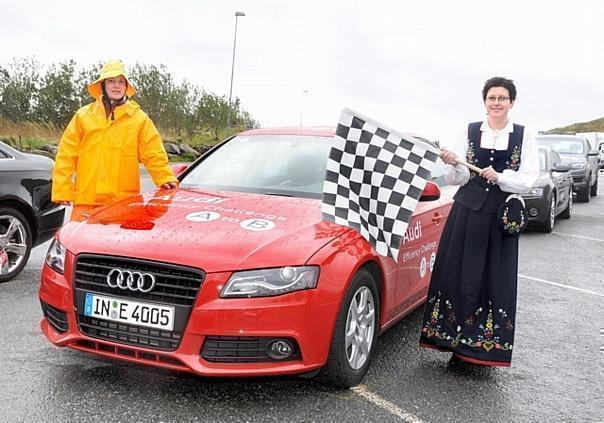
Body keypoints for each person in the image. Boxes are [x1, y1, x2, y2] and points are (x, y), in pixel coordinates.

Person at [419, 77, 539, 367]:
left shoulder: (524, 135)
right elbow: (457, 179)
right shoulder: (470, 131)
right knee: (460, 277)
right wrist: (453, 163)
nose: (496, 102)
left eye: (502, 98)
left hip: (500, 219)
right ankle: (453, 343)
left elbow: (530, 177)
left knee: (493, 281)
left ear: (512, 102)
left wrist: (501, 177)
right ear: (485, 101)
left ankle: (482, 349)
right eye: (492, 97)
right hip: (467, 214)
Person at [52, 60, 178, 221]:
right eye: (111, 81)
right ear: (103, 85)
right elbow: (66, 155)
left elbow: (153, 152)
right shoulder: (83, 116)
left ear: (126, 86)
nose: (116, 86)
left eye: (121, 82)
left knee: (119, 246)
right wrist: (62, 189)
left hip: (124, 204)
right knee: (79, 245)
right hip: (86, 202)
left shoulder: (139, 119)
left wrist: (165, 177)